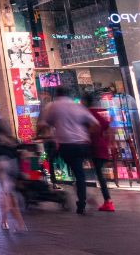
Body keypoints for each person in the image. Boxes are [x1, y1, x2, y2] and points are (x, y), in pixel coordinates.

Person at [38, 86, 101, 215]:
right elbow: (95, 124)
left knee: (77, 172)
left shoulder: (53, 106)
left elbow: (43, 124)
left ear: (56, 95)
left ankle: (83, 200)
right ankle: (84, 197)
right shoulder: (77, 106)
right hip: (83, 144)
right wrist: (85, 134)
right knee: (79, 173)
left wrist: (43, 135)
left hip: (67, 145)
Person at [82, 92, 117, 213]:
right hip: (101, 147)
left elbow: (96, 128)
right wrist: (110, 142)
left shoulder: (87, 114)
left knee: (95, 175)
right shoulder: (97, 114)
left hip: (93, 147)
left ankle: (105, 200)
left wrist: (89, 135)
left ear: (84, 102)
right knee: (99, 174)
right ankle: (106, 201)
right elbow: (110, 127)